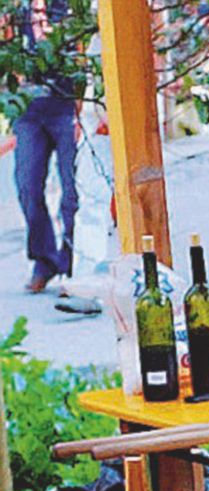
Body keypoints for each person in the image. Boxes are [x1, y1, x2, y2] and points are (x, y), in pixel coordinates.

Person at [13, 0, 79, 294]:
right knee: (27, 185)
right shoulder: (15, 9)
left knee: (73, 191)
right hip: (28, 109)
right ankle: (44, 260)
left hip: (67, 105)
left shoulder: (69, 6)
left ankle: (73, 265)